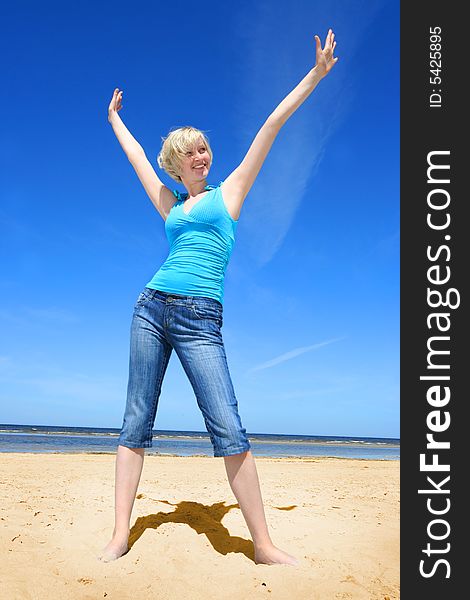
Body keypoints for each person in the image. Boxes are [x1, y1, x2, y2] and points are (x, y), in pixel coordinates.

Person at [100, 29, 338, 566]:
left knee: (227, 424)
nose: (200, 154)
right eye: (189, 151)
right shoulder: (171, 206)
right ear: (175, 164)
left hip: (200, 318)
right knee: (136, 419)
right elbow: (137, 156)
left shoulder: (228, 194)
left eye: (203, 146)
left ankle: (264, 544)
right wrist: (114, 119)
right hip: (150, 308)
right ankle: (119, 534)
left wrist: (317, 74)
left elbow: (271, 127)